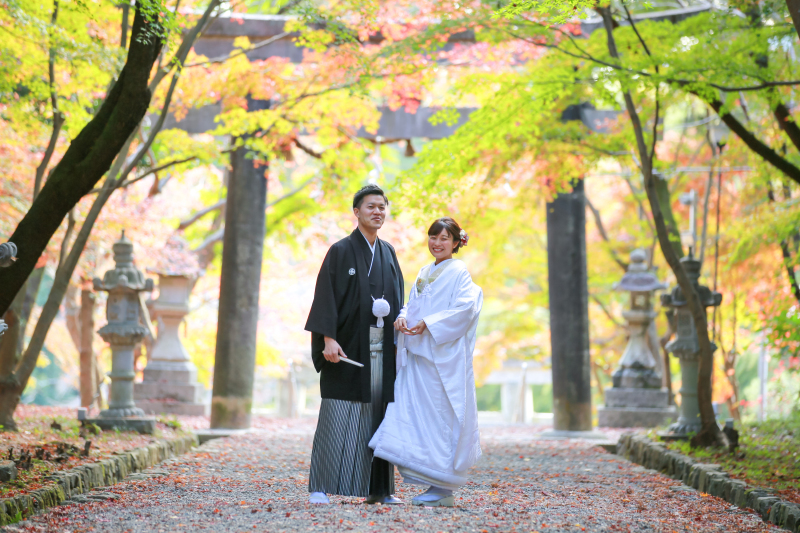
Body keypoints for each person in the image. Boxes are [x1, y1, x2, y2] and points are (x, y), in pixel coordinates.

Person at [370, 217, 483, 507]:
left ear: (457, 242)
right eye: (434, 237)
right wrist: (403, 316)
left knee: (440, 416)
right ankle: (433, 483)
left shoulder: (460, 272)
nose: (437, 243)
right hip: (420, 355)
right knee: (420, 414)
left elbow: (466, 308)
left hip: (440, 359)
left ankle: (443, 487)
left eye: (445, 238)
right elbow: (413, 303)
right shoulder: (423, 270)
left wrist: (429, 324)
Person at [304, 184, 405, 505]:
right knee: (337, 414)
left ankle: (379, 490)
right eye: (371, 207)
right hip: (347, 349)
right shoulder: (340, 250)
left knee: (379, 417)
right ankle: (320, 485)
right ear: (357, 212)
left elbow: (401, 299)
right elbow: (325, 298)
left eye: (382, 207)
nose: (378, 212)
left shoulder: (388, 252)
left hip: (382, 351)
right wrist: (327, 339)